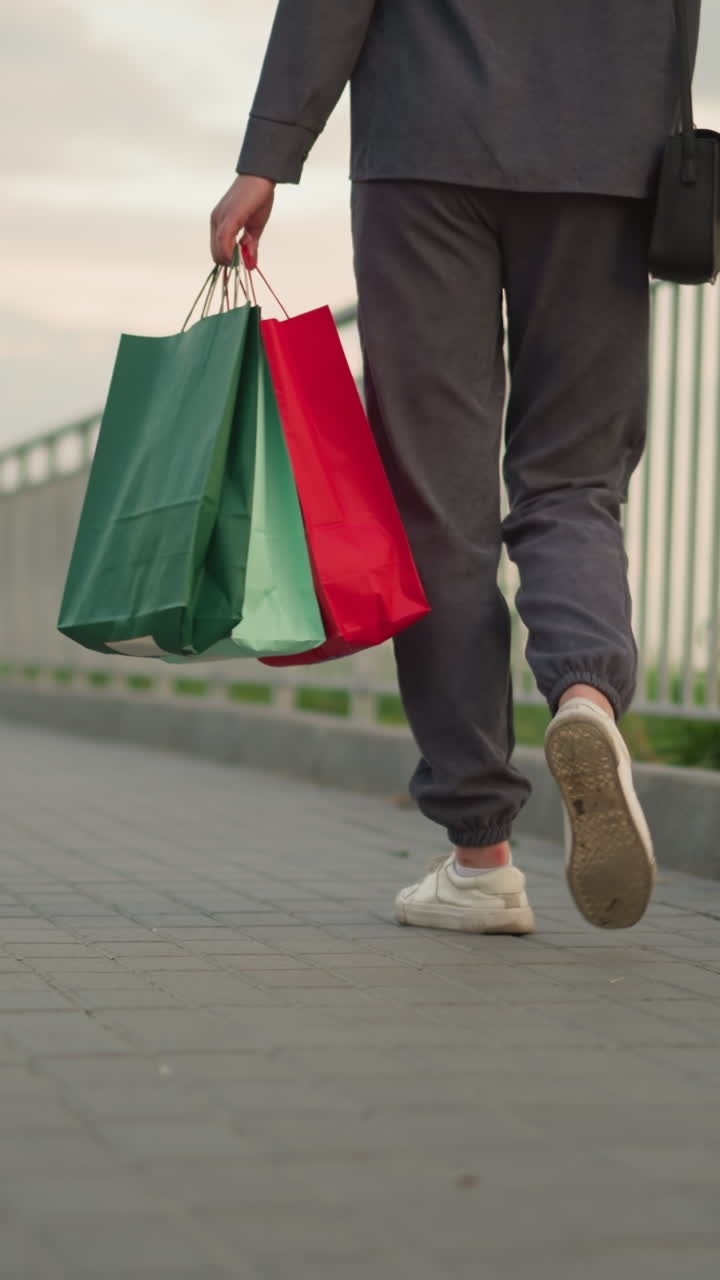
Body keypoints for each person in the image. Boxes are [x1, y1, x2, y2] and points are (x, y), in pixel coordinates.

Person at [210, 1, 702, 934]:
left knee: (437, 500)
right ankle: (588, 694)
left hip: (422, 146)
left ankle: (481, 856)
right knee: (573, 476)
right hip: (608, 155)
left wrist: (267, 156)